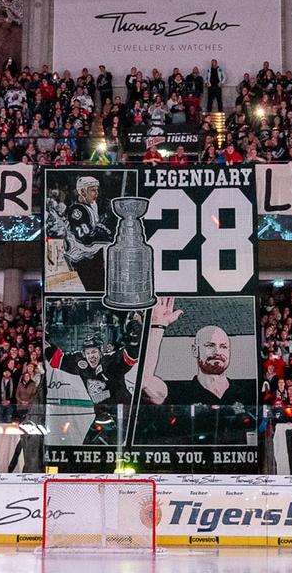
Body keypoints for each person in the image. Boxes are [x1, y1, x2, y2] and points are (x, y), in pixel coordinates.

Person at [137, 297, 256, 444]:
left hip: (237, 466)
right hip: (192, 465)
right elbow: (143, 381)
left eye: (223, 347)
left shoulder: (246, 393)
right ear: (195, 350)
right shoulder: (178, 393)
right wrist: (158, 327)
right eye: (209, 345)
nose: (217, 351)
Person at [45, 325, 143, 446]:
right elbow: (57, 360)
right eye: (88, 352)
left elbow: (129, 358)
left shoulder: (111, 361)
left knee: (103, 449)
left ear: (101, 352)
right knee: (87, 447)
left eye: (95, 351)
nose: (92, 356)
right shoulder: (81, 363)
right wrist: (45, 340)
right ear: (84, 354)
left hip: (123, 415)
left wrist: (134, 340)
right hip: (102, 416)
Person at [63, 176, 114, 292]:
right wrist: (109, 236)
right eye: (92, 190)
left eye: (97, 190)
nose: (96, 193)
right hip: (82, 259)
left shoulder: (92, 206)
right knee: (96, 291)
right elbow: (86, 239)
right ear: (82, 191)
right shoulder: (77, 211)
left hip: (92, 257)